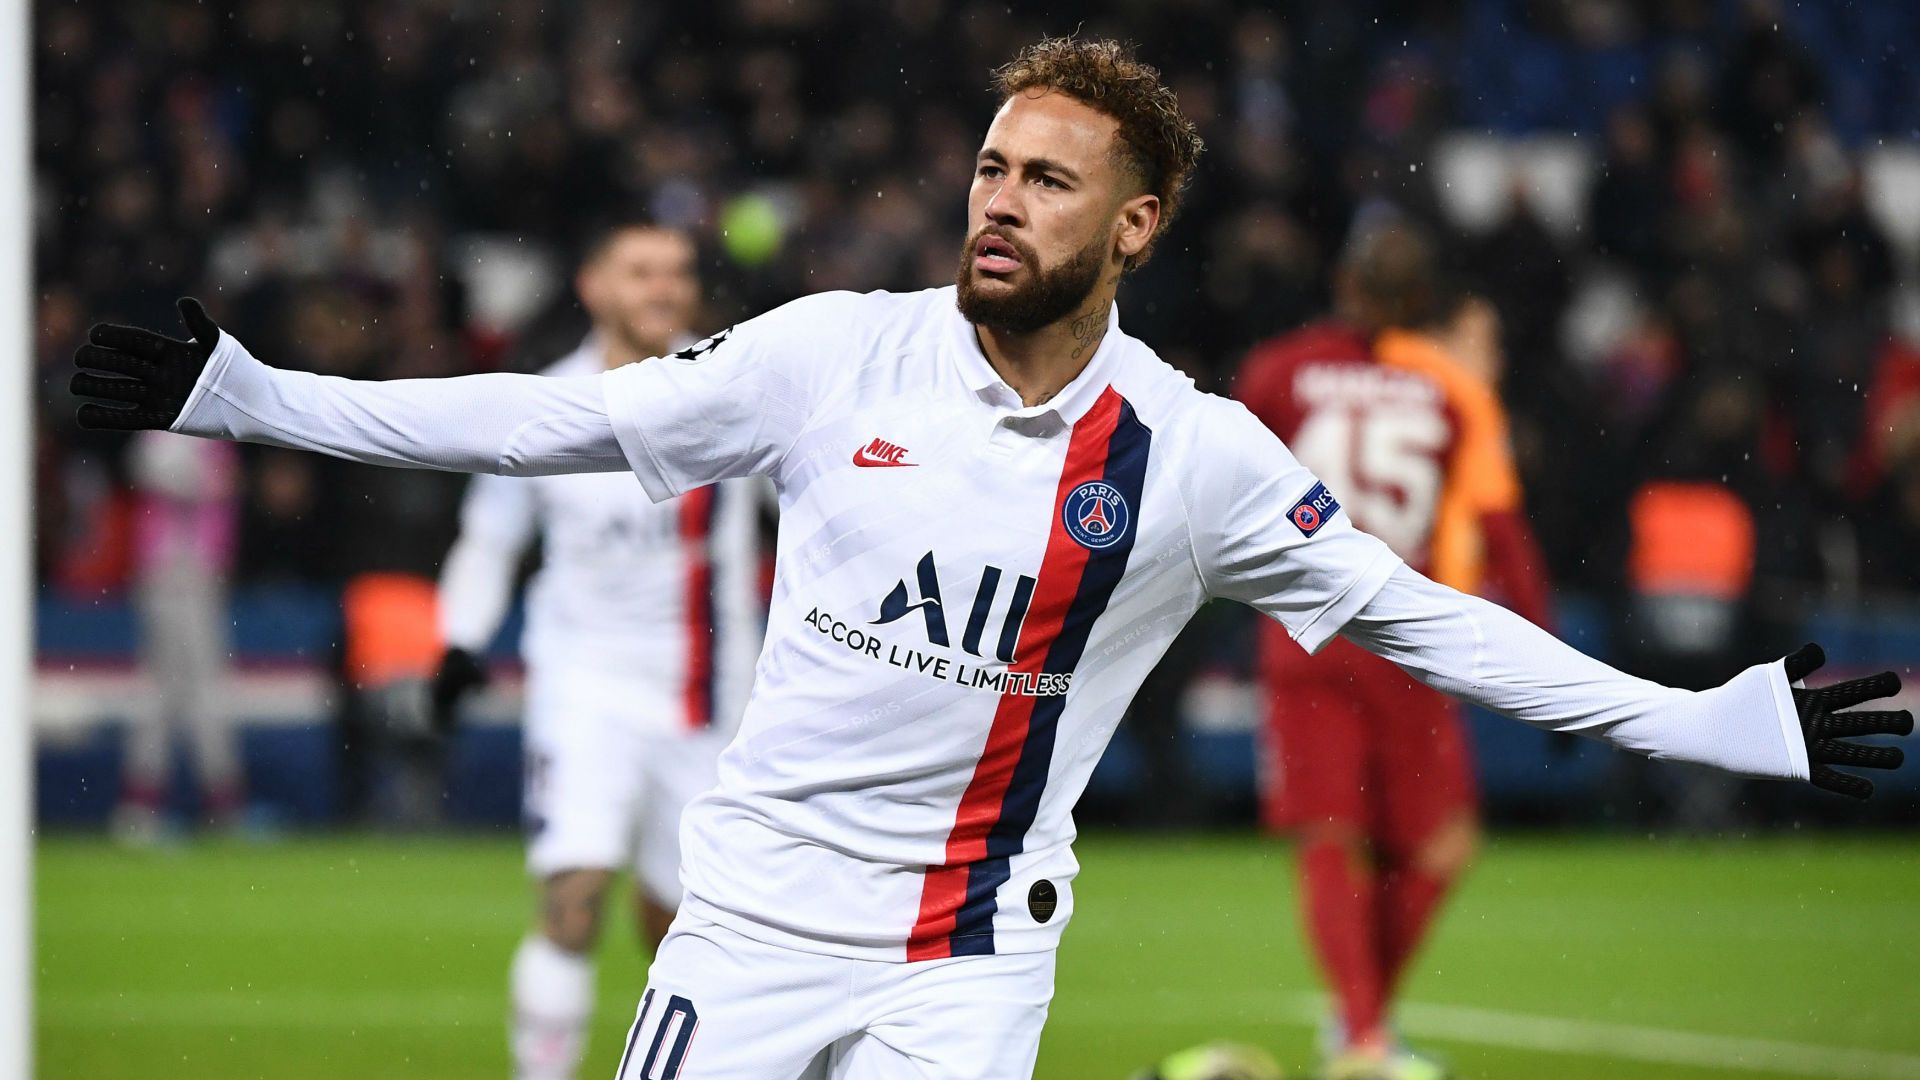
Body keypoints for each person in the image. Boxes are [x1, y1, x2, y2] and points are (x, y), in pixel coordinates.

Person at [68, 37, 1907, 1080]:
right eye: (989, 168)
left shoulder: (1194, 456)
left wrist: (1707, 719)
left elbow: (1432, 622)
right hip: (749, 927)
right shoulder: (827, 354)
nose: (998, 202)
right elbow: (540, 422)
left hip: (968, 962)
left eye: (1046, 180)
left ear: (1139, 223)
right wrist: (253, 396)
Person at [430, 221, 764, 1080]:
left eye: (677, 272)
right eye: (641, 272)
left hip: (710, 703)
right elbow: (490, 538)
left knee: (688, 931)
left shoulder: (740, 383)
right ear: (593, 286)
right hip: (586, 688)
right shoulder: (545, 403)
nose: (664, 289)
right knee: (573, 901)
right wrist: (460, 640)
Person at [1235, 222, 1552, 1080]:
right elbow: (1503, 532)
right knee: (1438, 843)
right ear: (1422, 301)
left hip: (1305, 628)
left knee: (1332, 838)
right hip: (1405, 629)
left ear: (1345, 282)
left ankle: (1362, 1030)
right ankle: (1364, 1032)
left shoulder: (1279, 370)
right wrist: (1542, 650)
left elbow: (1223, 484)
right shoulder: (1448, 389)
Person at [113, 430, 244, 843]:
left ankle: (208, 805)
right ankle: (147, 808)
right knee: (172, 690)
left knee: (196, 688)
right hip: (171, 573)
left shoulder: (212, 430)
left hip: (199, 574)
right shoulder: (166, 430)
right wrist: (211, 475)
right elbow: (157, 469)